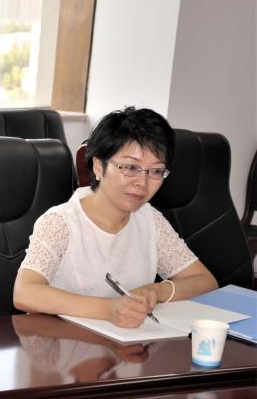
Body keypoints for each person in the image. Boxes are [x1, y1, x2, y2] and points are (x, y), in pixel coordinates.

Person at [13, 106, 217, 327]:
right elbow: (25, 293)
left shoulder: (150, 220)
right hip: (63, 339)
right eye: (130, 167)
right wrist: (109, 309)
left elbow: (206, 282)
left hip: (126, 342)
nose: (142, 182)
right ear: (98, 167)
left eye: (156, 171)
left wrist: (156, 291)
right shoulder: (61, 222)